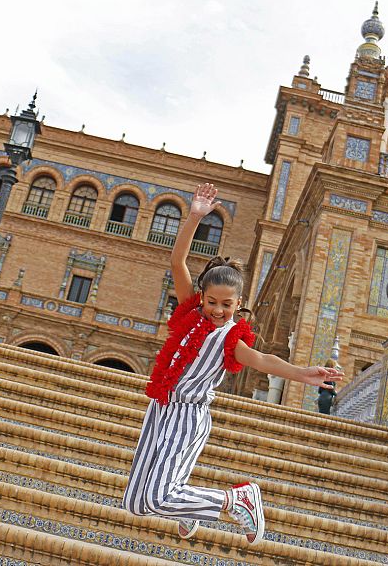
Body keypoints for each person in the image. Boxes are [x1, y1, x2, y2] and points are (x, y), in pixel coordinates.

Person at [122, 183, 344, 546]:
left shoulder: (230, 340)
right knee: (135, 503)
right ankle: (191, 509)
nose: (218, 310)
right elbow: (177, 260)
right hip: (159, 409)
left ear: (238, 303)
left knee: (158, 497)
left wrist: (304, 373)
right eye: (212, 302)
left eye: (227, 304)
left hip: (187, 417)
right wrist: (195, 215)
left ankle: (236, 499)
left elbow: (263, 360)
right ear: (202, 298)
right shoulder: (190, 314)